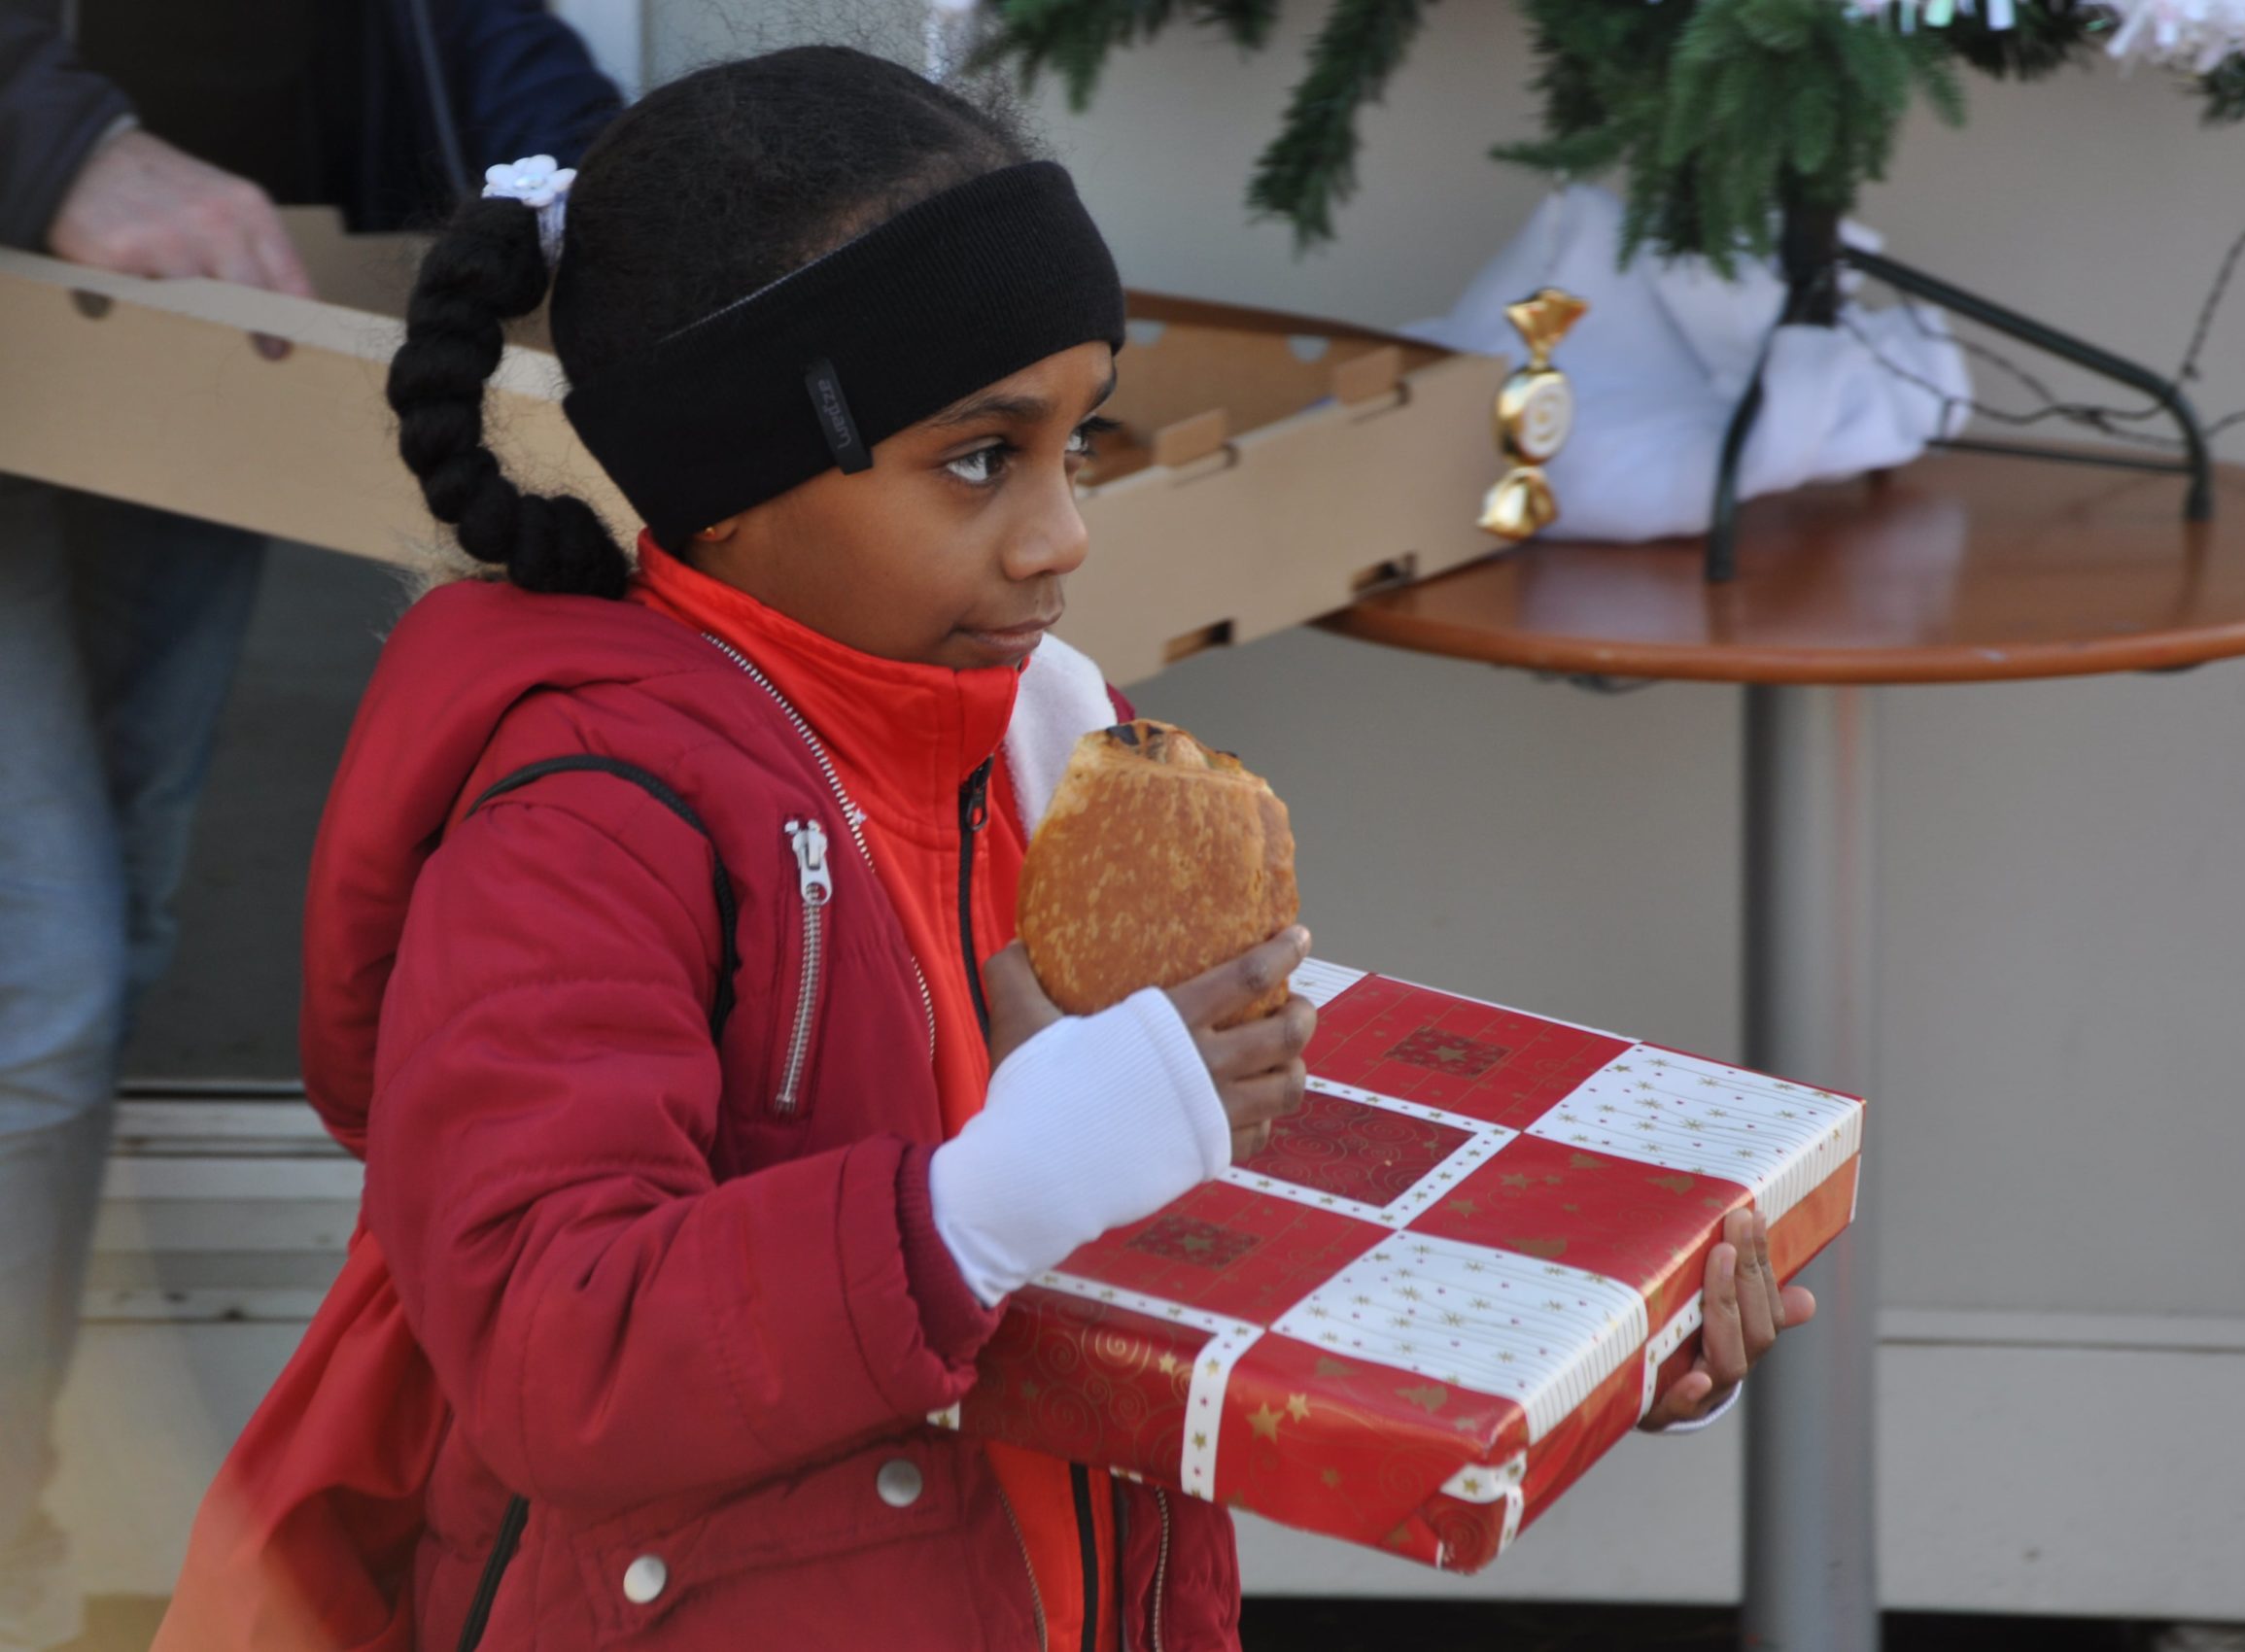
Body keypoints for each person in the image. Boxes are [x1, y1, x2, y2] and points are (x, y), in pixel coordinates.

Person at [170, 45, 1813, 1650]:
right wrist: (976, 1205)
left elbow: (1155, 1261)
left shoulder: (1039, 755)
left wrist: (1572, 1340)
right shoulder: (584, 821)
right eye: (979, 458)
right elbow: (558, 1352)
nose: (1063, 534)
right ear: (727, 475)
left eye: (1078, 443)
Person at [0, 5, 617, 1647]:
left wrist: (605, 179)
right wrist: (49, 138)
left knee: (111, 930)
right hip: (55, 239)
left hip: (208, 309)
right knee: (41, 983)